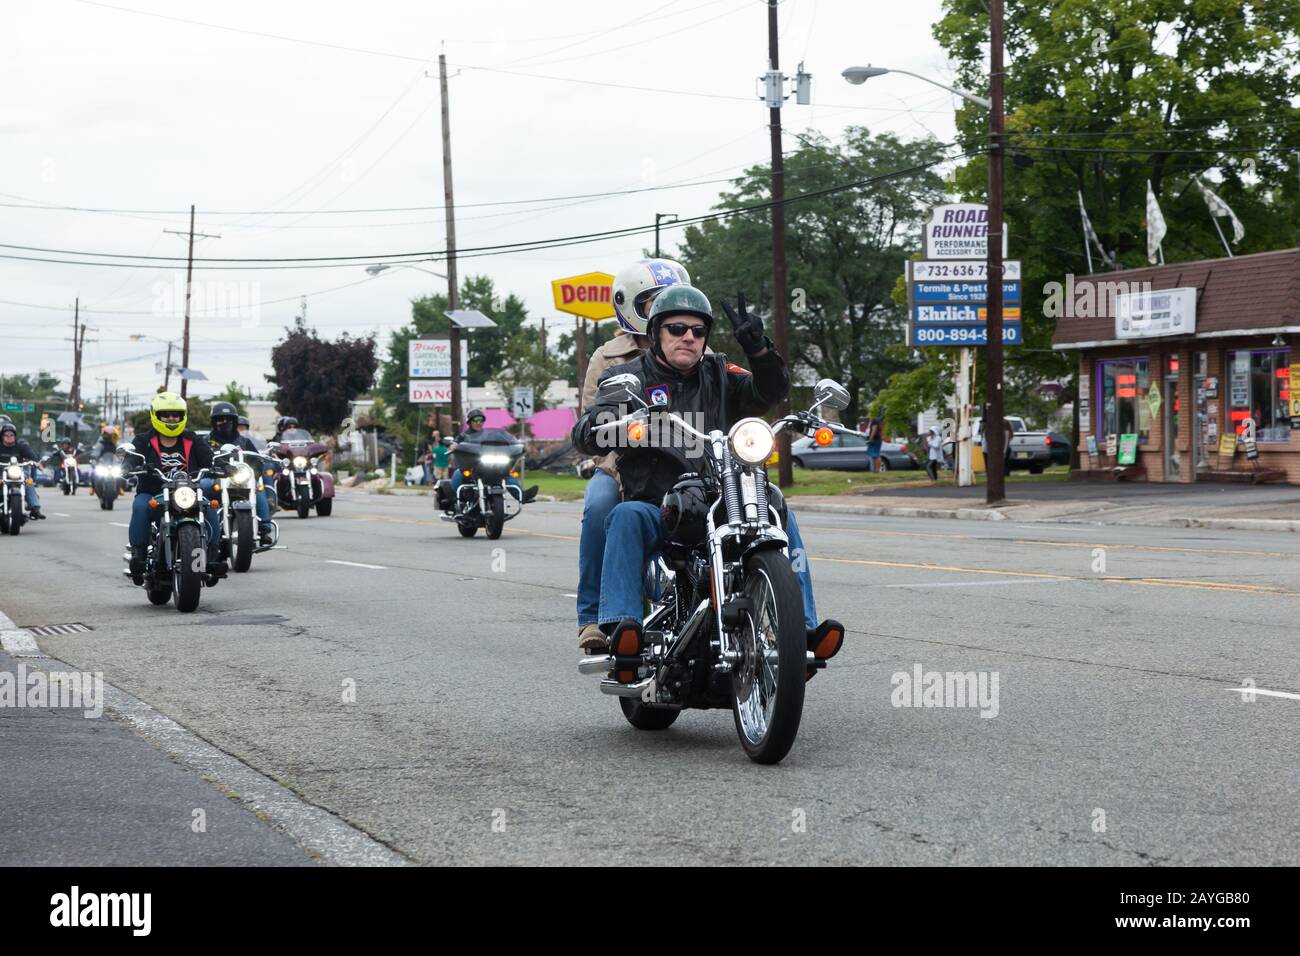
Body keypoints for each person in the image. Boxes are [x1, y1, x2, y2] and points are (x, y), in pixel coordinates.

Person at [571, 285, 842, 668]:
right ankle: (620, 625)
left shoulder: (719, 372)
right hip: (658, 505)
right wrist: (614, 425)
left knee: (778, 512)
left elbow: (767, 392)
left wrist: (760, 351)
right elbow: (587, 431)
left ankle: (803, 629)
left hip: (720, 500)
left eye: (698, 331)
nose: (689, 337)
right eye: (678, 328)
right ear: (656, 333)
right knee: (625, 516)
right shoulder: (627, 376)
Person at [574, 257, 690, 652]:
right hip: (620, 464)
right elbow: (594, 425)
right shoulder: (607, 357)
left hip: (681, 464)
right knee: (600, 507)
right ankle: (592, 618)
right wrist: (621, 475)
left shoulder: (693, 350)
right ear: (628, 306)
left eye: (668, 301)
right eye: (651, 302)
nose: (662, 310)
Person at [125, 392, 222, 580]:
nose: (171, 418)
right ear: (156, 415)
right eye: (166, 414)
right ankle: (139, 555)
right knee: (140, 506)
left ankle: (212, 555)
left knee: (209, 507)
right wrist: (128, 466)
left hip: (188, 492)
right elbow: (132, 457)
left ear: (182, 416)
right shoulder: (143, 440)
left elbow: (209, 458)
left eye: (175, 414)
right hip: (154, 493)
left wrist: (221, 466)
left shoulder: (192, 439)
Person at [208, 401, 274, 546]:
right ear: (214, 422)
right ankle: (204, 529)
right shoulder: (207, 442)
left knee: (258, 490)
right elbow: (202, 460)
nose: (224, 422)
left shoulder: (244, 441)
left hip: (241, 479)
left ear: (234, 421)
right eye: (220, 419)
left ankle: (264, 528)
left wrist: (256, 472)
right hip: (217, 479)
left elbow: (257, 459)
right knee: (203, 492)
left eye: (228, 419)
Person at [0, 422, 45, 519]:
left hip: (17, 472)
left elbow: (31, 455)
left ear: (15, 436)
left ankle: (35, 509)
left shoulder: (21, 445)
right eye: (6, 435)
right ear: (2, 436)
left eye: (11, 435)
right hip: (1, 473)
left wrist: (38, 464)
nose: (9, 437)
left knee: (28, 482)